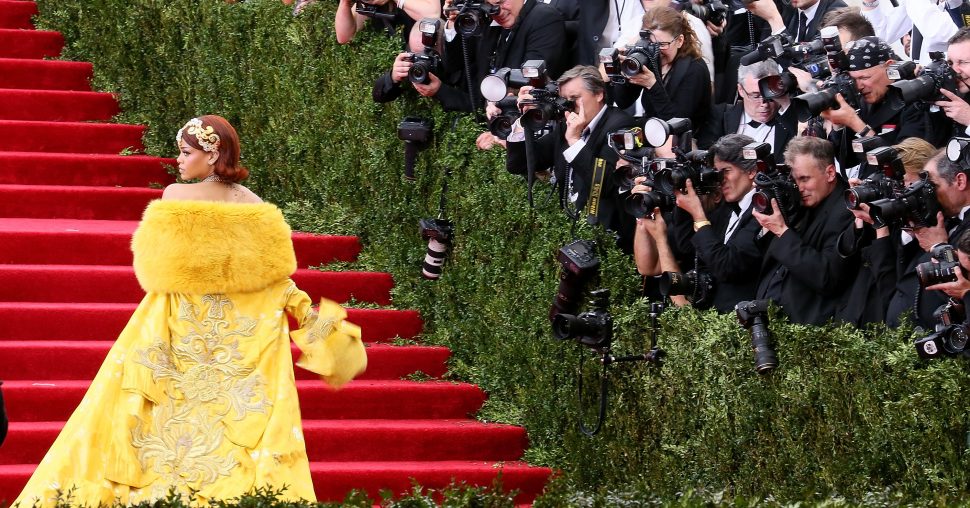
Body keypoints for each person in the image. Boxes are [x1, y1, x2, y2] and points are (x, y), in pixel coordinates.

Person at [13, 116, 367, 506]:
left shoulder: (175, 197)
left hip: (176, 325)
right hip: (237, 335)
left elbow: (156, 268)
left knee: (151, 418)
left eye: (186, 152)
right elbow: (270, 276)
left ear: (213, 154)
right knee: (225, 427)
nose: (178, 161)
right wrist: (308, 316)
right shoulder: (255, 206)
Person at [506, 65, 639, 251]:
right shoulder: (566, 125)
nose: (568, 107)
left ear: (599, 94)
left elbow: (606, 183)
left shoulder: (620, 125)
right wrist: (524, 121)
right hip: (571, 238)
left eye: (575, 99)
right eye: (564, 100)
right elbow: (519, 164)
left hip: (608, 243)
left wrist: (575, 141)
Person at [754, 136, 856, 325]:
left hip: (809, 331)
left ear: (830, 173)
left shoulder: (847, 211)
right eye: (795, 180)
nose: (799, 188)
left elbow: (827, 277)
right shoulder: (801, 202)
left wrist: (782, 231)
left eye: (805, 179)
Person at [835, 137, 937, 326]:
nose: (897, 192)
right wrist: (860, 218)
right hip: (853, 319)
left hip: (886, 330)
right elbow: (842, 258)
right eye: (892, 183)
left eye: (904, 184)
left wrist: (881, 227)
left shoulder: (932, 230)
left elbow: (892, 292)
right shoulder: (888, 210)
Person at [668, 134, 766, 312]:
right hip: (715, 318)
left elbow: (727, 266)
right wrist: (683, 196)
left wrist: (698, 214)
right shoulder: (727, 207)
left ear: (751, 171)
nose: (720, 180)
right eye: (716, 172)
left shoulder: (763, 210)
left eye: (726, 171)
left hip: (743, 318)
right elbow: (687, 245)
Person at [419, 0, 567, 113]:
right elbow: (457, 66)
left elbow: (531, 81)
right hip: (487, 121)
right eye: (490, 5)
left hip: (520, 122)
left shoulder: (544, 18)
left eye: (501, 2)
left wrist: (499, 107)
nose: (498, 11)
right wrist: (453, 22)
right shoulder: (489, 22)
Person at [821, 36, 939, 175]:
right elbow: (847, 160)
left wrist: (856, 123)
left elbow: (907, 166)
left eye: (864, 78)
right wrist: (838, 123)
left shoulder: (915, 101)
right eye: (854, 79)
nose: (859, 86)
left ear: (889, 66)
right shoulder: (864, 100)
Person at [886, 151, 970, 327]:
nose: (927, 193)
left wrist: (938, 246)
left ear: (960, 181)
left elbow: (959, 285)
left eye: (932, 185)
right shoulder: (942, 217)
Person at [612, 6, 712, 128]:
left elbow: (677, 124)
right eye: (650, 44)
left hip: (687, 140)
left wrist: (652, 85)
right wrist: (622, 72)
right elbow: (623, 102)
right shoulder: (648, 59)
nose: (656, 51)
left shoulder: (695, 69)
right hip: (652, 133)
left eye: (662, 45)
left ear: (680, 41)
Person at [697, 60, 798, 161]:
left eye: (770, 94)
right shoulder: (719, 116)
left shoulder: (794, 119)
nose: (764, 104)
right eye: (756, 96)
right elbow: (707, 157)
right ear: (740, 90)